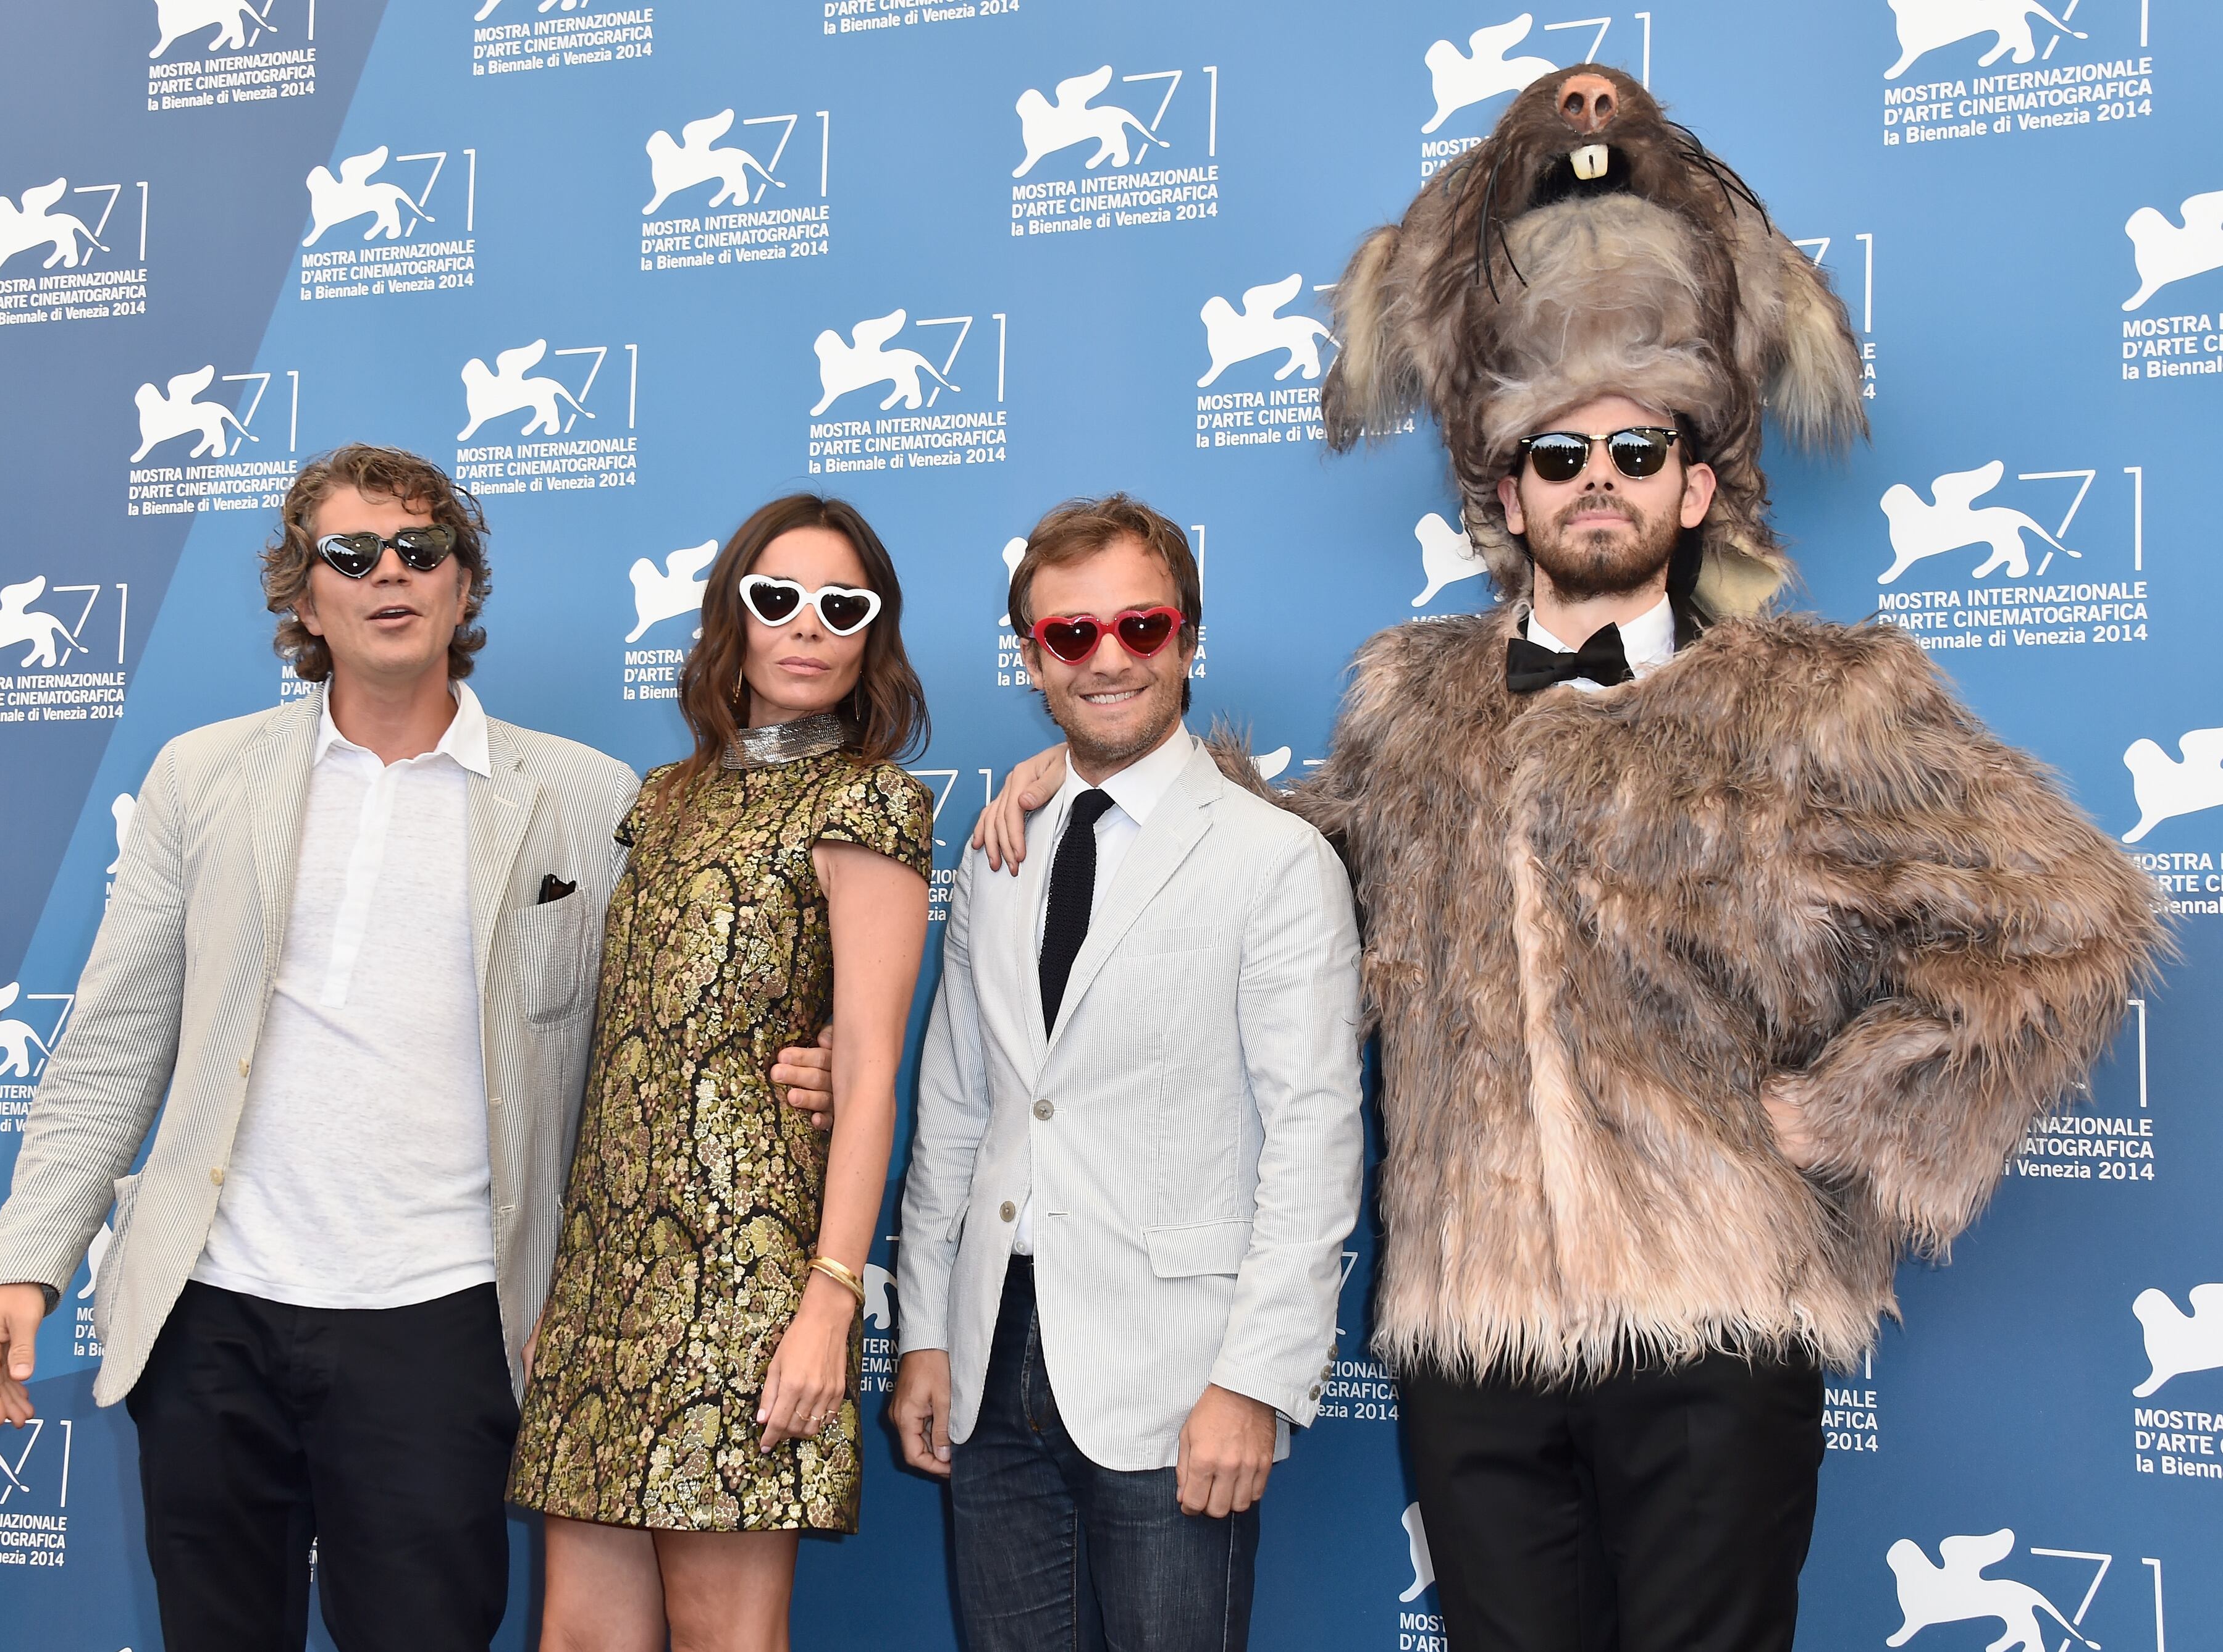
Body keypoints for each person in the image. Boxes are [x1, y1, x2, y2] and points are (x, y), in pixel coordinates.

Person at [973, 69, 2165, 1652]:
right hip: (1472, 1336)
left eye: (1636, 445)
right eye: (1556, 454)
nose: (1594, 473)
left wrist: (1854, 1112)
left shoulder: (1825, 699)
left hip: (1718, 1322)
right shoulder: (1409, 704)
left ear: (1695, 481)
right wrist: (1105, 748)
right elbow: (1267, 876)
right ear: (1506, 494)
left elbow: (2074, 926)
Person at [0, 443, 781, 1652]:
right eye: (351, 554)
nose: (389, 574)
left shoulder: (585, 795)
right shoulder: (202, 778)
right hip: (210, 1314)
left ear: (463, 586)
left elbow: (667, 1035)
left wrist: (793, 1072)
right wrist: (28, 1259)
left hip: (445, 1320)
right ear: (304, 597)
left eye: (421, 549)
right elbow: (112, 1047)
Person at [892, 495, 1364, 1652]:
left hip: (1179, 1377)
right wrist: (921, 1334)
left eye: (1141, 628)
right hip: (992, 1357)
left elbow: (1314, 1140)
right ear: (1034, 661)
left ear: (1190, 639)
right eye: (1071, 636)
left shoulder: (1276, 862)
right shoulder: (1000, 849)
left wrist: (1256, 1381)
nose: (1108, 659)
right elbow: (956, 1110)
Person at [509, 495, 933, 1652]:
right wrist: (570, 1285)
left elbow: (872, 1074)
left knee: (723, 1642)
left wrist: (830, 1301)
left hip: (753, 1279)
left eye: (841, 607)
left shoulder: (870, 801)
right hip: (609, 1280)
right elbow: (621, 1054)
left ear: (872, 635)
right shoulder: (663, 800)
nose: (807, 627)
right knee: (579, 1638)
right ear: (731, 617)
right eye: (777, 598)